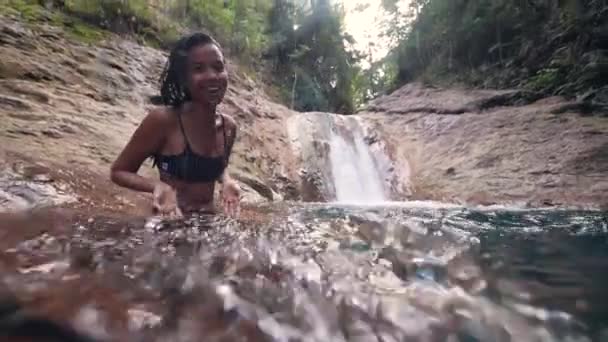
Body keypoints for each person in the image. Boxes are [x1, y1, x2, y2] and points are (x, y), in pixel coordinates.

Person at [110, 32, 241, 218]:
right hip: (168, 224)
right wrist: (156, 185)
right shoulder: (164, 121)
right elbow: (118, 171)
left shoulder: (228, 127)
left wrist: (227, 181)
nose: (212, 76)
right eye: (198, 69)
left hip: (208, 224)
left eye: (218, 67)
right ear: (184, 78)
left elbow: (219, 167)